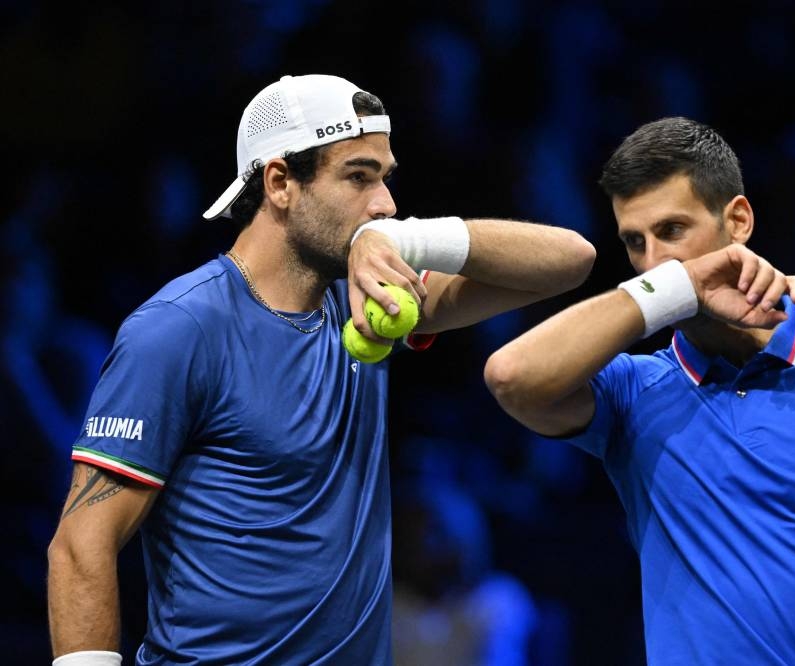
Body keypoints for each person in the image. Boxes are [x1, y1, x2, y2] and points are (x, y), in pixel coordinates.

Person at [46, 73, 597, 666]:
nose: (384, 204)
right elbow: (83, 543)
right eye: (359, 176)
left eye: (386, 179)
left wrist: (408, 238)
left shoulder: (372, 294)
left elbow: (570, 261)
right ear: (281, 183)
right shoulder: (178, 328)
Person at [484, 116, 795, 664]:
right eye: (635, 243)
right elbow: (512, 377)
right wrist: (673, 289)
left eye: (673, 231)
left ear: (738, 220)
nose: (652, 262)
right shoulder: (632, 389)